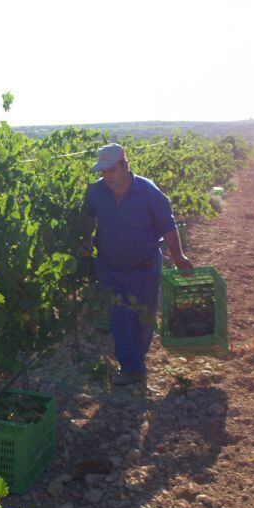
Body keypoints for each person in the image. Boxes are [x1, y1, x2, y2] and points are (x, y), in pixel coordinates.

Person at [81, 144, 192, 386]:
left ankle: (137, 359)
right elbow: (89, 216)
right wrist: (86, 239)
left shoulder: (148, 191)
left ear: (125, 165)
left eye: (111, 170)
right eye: (103, 172)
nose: (107, 176)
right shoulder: (95, 192)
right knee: (119, 317)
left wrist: (179, 257)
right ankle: (132, 368)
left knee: (144, 317)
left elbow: (167, 226)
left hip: (145, 267)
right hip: (109, 268)